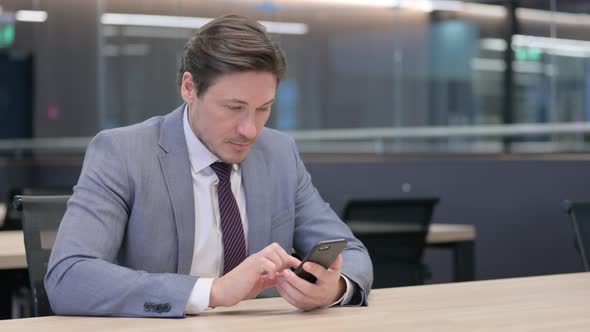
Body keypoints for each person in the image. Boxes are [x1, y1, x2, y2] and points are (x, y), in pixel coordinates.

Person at [45, 14, 372, 317]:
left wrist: (335, 288)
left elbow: (352, 252)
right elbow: (69, 276)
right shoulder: (123, 153)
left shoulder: (279, 153)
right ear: (189, 88)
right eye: (234, 107)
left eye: (263, 109)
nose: (250, 130)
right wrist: (212, 291)